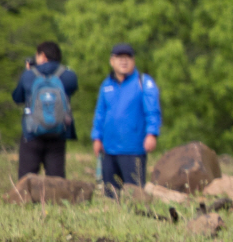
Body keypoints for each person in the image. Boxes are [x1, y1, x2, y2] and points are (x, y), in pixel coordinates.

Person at [90, 43, 162, 196]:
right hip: (109, 149)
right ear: (112, 61)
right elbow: (100, 113)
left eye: (128, 57)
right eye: (119, 57)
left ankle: (135, 218)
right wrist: (97, 137)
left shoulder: (143, 82)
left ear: (133, 61)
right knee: (110, 194)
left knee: (134, 194)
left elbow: (153, 111)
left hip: (133, 150)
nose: (124, 61)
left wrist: (152, 134)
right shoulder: (106, 84)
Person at [12, 41, 79, 178]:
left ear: (42, 56)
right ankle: (55, 199)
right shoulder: (69, 76)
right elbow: (72, 89)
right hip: (58, 132)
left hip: (32, 133)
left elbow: (17, 98)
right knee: (56, 179)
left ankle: (27, 199)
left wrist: (28, 72)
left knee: (27, 179)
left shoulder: (29, 75)